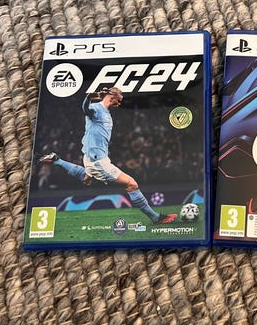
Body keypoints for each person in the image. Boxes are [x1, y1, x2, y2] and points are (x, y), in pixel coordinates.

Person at [39, 87, 177, 224]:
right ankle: (156, 218)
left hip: (93, 157)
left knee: (87, 178)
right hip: (98, 160)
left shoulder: (107, 113)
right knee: (131, 184)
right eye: (119, 100)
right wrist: (88, 97)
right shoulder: (96, 108)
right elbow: (85, 109)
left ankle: (57, 160)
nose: (120, 103)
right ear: (112, 97)